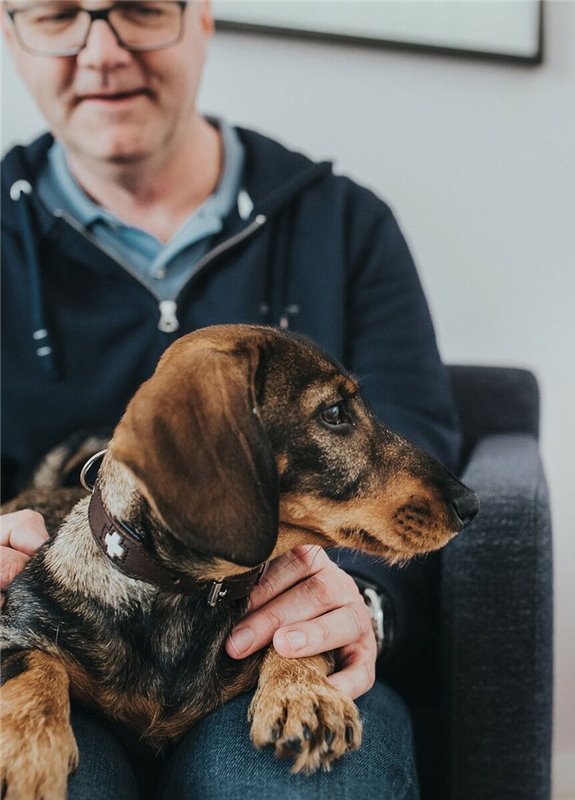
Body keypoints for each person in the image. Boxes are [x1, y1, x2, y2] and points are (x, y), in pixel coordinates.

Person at [0, 1, 461, 798]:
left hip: (272, 638)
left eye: (140, 9)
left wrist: (354, 608)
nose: (100, 50)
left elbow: (412, 444)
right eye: (56, 13)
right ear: (11, 32)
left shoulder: (344, 225)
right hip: (55, 639)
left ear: (203, 18)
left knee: (312, 782)